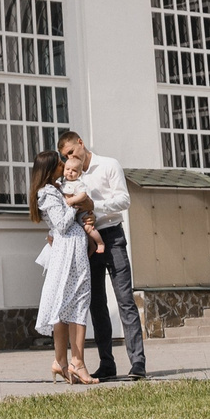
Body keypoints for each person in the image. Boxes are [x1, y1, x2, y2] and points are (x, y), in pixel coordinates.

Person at [59, 130, 145, 381]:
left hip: (113, 237)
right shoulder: (71, 176)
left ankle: (137, 363)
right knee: (97, 304)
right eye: (65, 157)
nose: (70, 160)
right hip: (87, 241)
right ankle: (107, 364)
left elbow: (124, 200)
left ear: (81, 144)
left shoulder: (108, 165)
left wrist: (94, 207)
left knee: (125, 299)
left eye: (71, 152)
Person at [27, 149, 97, 384]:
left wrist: (85, 211)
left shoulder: (58, 188)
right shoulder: (47, 192)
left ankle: (64, 362)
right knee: (72, 302)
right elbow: (62, 223)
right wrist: (76, 205)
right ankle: (75, 363)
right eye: (59, 164)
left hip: (71, 248)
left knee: (71, 302)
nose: (63, 166)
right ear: (49, 169)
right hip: (68, 251)